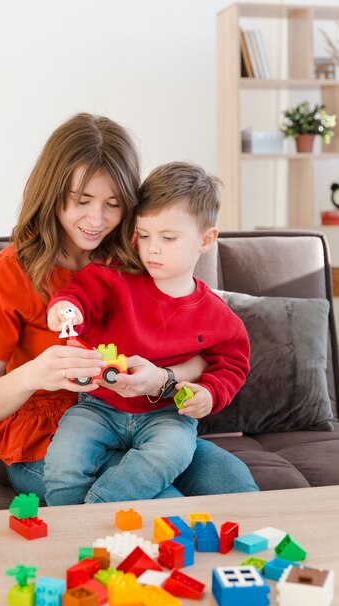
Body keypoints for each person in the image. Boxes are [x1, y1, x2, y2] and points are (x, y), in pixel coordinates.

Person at [0, 112, 258, 502]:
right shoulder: (8, 272)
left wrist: (165, 376)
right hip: (49, 437)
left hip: (144, 416)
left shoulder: (142, 259)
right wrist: (35, 373)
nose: (97, 220)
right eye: (81, 201)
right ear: (52, 194)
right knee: (164, 503)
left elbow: (204, 344)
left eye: (114, 204)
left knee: (232, 481)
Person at [45, 161, 251, 505]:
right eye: (143, 235)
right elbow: (81, 295)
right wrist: (67, 308)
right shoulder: (115, 277)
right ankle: (67, 528)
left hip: (166, 414)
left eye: (168, 238)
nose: (152, 248)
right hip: (99, 405)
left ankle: (96, 511)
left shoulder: (217, 316)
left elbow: (232, 365)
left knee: (173, 453)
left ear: (206, 239)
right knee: (63, 462)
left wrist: (210, 394)